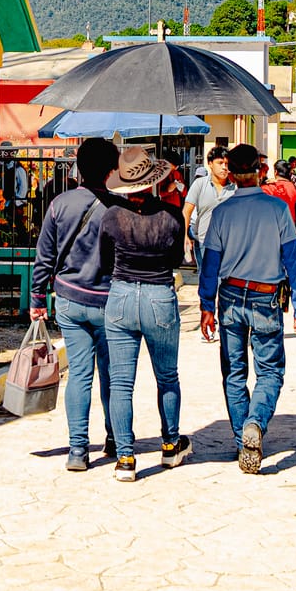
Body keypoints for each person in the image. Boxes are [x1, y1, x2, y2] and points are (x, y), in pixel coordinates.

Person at [196, 144, 296, 474]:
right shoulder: (277, 210)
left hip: (230, 297)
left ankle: (240, 438)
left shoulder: (220, 213)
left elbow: (210, 266)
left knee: (233, 372)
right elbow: (292, 260)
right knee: (270, 370)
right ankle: (256, 423)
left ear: (229, 173)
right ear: (260, 171)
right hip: (266, 297)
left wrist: (206, 306)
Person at [94, 148, 190, 481]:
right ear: (153, 181)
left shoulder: (111, 217)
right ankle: (170, 444)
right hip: (159, 294)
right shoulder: (171, 216)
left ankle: (124, 458)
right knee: (167, 376)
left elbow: (105, 263)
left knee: (121, 383)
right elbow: (177, 258)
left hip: (121, 295)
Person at [30, 137, 123, 470]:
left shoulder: (59, 204)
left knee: (80, 374)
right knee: (112, 375)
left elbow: (44, 257)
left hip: (69, 299)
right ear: (113, 170)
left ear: (78, 168)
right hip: (110, 302)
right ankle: (115, 438)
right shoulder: (120, 207)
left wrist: (37, 298)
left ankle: (78, 450)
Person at [183, 146, 235, 312]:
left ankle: (223, 316)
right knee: (207, 280)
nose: (224, 167)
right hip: (205, 241)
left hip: (229, 244)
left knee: (225, 280)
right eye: (220, 163)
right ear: (210, 164)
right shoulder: (199, 184)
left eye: (227, 163)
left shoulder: (235, 188)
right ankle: (208, 314)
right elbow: (187, 211)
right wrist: (184, 235)